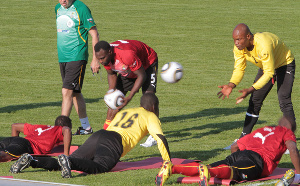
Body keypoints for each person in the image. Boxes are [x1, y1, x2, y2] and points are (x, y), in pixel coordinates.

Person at [10, 93, 171, 179]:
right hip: (114, 141)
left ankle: (33, 160)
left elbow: (108, 123)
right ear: (154, 106)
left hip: (100, 135)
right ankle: (69, 161)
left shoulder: (129, 110)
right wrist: (167, 162)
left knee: (64, 162)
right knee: (101, 167)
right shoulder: (151, 116)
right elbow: (160, 139)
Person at [155, 116, 300, 186]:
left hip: (240, 153)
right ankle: (211, 173)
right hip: (257, 160)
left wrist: (236, 157)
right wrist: (299, 173)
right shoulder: (286, 132)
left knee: (209, 166)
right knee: (233, 172)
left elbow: (235, 146)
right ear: (291, 128)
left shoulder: (263, 129)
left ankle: (172, 168)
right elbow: (293, 149)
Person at [217, 23, 296, 140]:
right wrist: (231, 85)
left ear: (248, 37)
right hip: (267, 65)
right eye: (234, 40)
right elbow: (239, 68)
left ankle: (290, 141)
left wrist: (250, 89)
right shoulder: (239, 48)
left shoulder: (264, 45)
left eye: (239, 39)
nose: (236, 43)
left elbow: (269, 73)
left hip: (284, 64)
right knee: (255, 100)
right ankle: (244, 138)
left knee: (284, 99)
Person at [94, 40, 158, 147]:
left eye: (102, 58)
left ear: (110, 52)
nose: (100, 61)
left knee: (148, 99)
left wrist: (129, 97)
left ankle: (154, 135)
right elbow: (111, 74)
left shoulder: (126, 54)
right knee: (114, 106)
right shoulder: (105, 58)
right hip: (128, 68)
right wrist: (111, 91)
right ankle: (106, 135)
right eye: (98, 59)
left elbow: (141, 75)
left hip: (147, 63)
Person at [54, 0, 100, 135]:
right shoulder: (57, 9)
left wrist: (95, 59)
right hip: (63, 57)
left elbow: (94, 34)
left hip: (77, 56)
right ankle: (86, 127)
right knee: (75, 92)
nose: (63, 0)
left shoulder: (81, 8)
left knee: (66, 91)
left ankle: (60, 130)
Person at [0, 115, 72, 163]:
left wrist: (13, 144)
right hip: (26, 145)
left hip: (13, 140)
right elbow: (67, 130)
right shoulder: (60, 130)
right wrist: (66, 155)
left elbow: (15, 126)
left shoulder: (43, 127)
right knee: (4, 156)